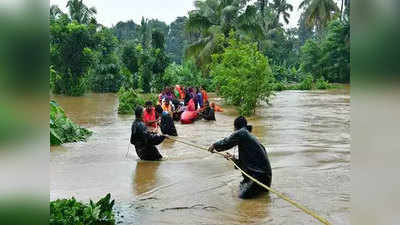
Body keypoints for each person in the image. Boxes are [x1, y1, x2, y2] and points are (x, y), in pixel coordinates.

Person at [208, 116, 272, 199]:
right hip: (265, 179)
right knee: (243, 191)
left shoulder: (242, 133)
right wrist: (234, 159)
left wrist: (214, 145)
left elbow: (227, 142)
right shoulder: (251, 139)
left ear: (235, 127)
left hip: (258, 178)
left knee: (242, 200)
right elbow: (249, 165)